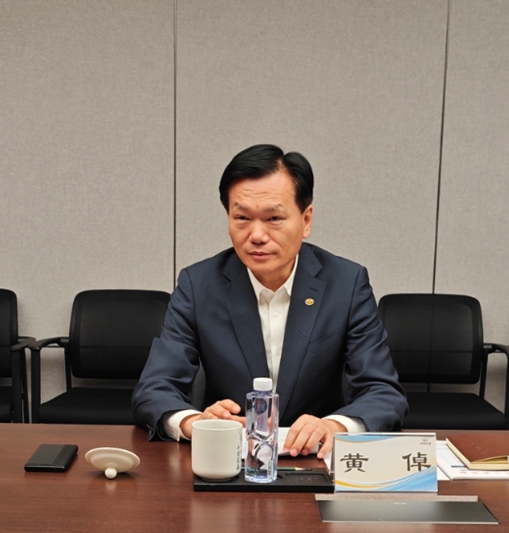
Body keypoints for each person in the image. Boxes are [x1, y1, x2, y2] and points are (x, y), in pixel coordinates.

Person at [133, 144, 407, 458]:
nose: (257, 235)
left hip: (316, 460)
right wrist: (195, 423)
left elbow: (383, 392)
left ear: (306, 220)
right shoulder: (199, 285)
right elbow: (155, 388)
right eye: (242, 218)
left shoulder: (345, 283)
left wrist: (335, 426)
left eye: (274, 218)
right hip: (229, 459)